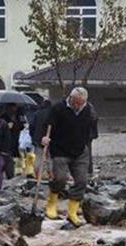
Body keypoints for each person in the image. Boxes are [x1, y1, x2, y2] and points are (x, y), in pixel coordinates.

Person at [41, 87, 96, 226]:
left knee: (82, 181)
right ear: (70, 98)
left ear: (85, 101)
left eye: (80, 103)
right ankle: (52, 204)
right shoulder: (58, 108)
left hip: (80, 151)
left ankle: (72, 213)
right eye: (75, 102)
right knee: (60, 179)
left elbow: (92, 128)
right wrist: (44, 138)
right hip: (60, 150)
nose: (77, 106)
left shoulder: (89, 110)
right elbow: (47, 125)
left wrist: (87, 140)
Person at [27, 100, 52, 178]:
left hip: (38, 140)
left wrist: (33, 137)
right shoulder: (53, 114)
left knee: (38, 158)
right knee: (50, 158)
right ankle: (50, 174)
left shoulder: (37, 114)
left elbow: (31, 127)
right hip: (51, 140)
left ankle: (38, 174)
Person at [0, 103, 24, 180]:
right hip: (5, 141)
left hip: (16, 138)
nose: (13, 109)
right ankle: (7, 174)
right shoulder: (3, 116)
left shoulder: (19, 115)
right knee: (7, 157)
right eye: (11, 107)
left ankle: (14, 173)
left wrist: (16, 125)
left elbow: (22, 125)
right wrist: (7, 126)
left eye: (15, 107)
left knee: (14, 156)